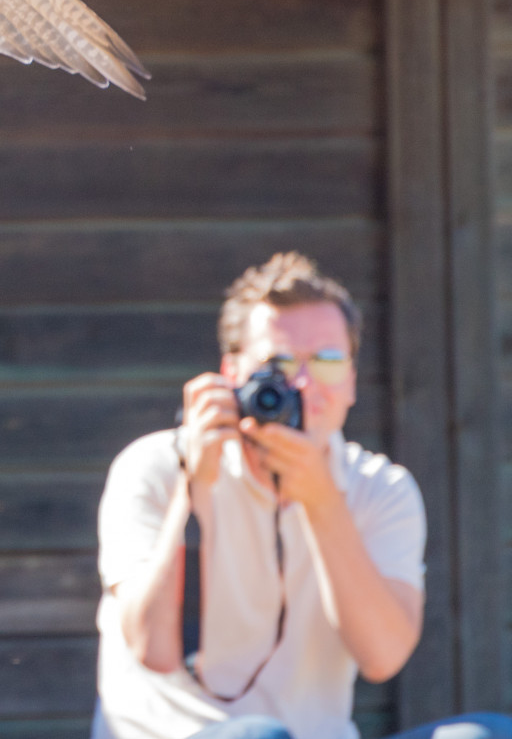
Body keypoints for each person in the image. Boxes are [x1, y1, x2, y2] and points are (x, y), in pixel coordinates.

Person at [94, 252, 512, 739]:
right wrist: (194, 485)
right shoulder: (157, 466)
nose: (304, 385)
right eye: (279, 364)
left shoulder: (380, 489)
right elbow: (152, 649)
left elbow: (384, 656)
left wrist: (320, 500)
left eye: (329, 361)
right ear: (232, 377)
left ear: (353, 380)